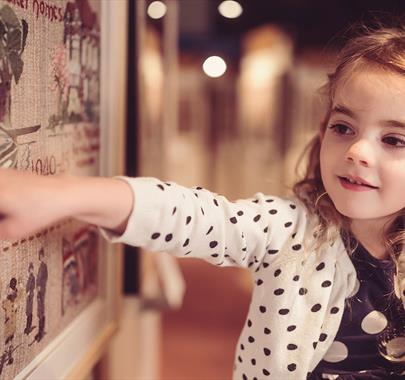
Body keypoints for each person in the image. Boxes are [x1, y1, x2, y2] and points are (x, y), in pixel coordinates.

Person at [0, 23, 405, 380]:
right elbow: (191, 215)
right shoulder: (288, 230)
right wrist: (63, 195)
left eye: (393, 139)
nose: (358, 151)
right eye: (343, 127)